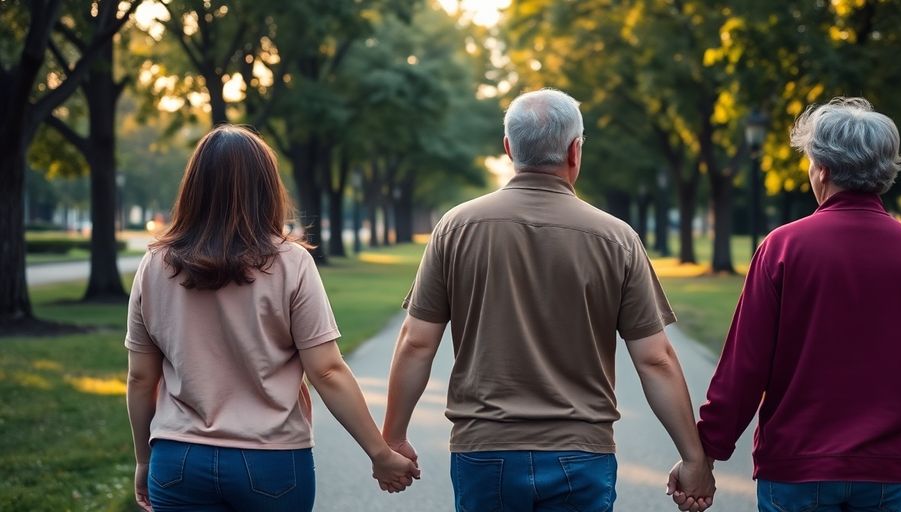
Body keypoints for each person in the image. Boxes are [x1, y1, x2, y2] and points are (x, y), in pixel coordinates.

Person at [381, 88, 716, 512]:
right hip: (583, 453)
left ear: (508, 148)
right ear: (575, 151)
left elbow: (416, 342)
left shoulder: (456, 228)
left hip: (485, 451)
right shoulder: (616, 238)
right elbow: (655, 359)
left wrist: (391, 440)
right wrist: (693, 458)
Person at [691, 98, 901, 512]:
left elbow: (745, 365)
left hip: (796, 470)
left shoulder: (783, 248)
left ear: (822, 169)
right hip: (894, 473)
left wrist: (706, 455)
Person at [124, 125, 419, 512]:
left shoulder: (154, 264)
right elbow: (327, 371)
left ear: (194, 187)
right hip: (271, 461)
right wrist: (379, 453)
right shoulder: (291, 263)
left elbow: (141, 377)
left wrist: (144, 461)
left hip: (178, 460)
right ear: (266, 188)